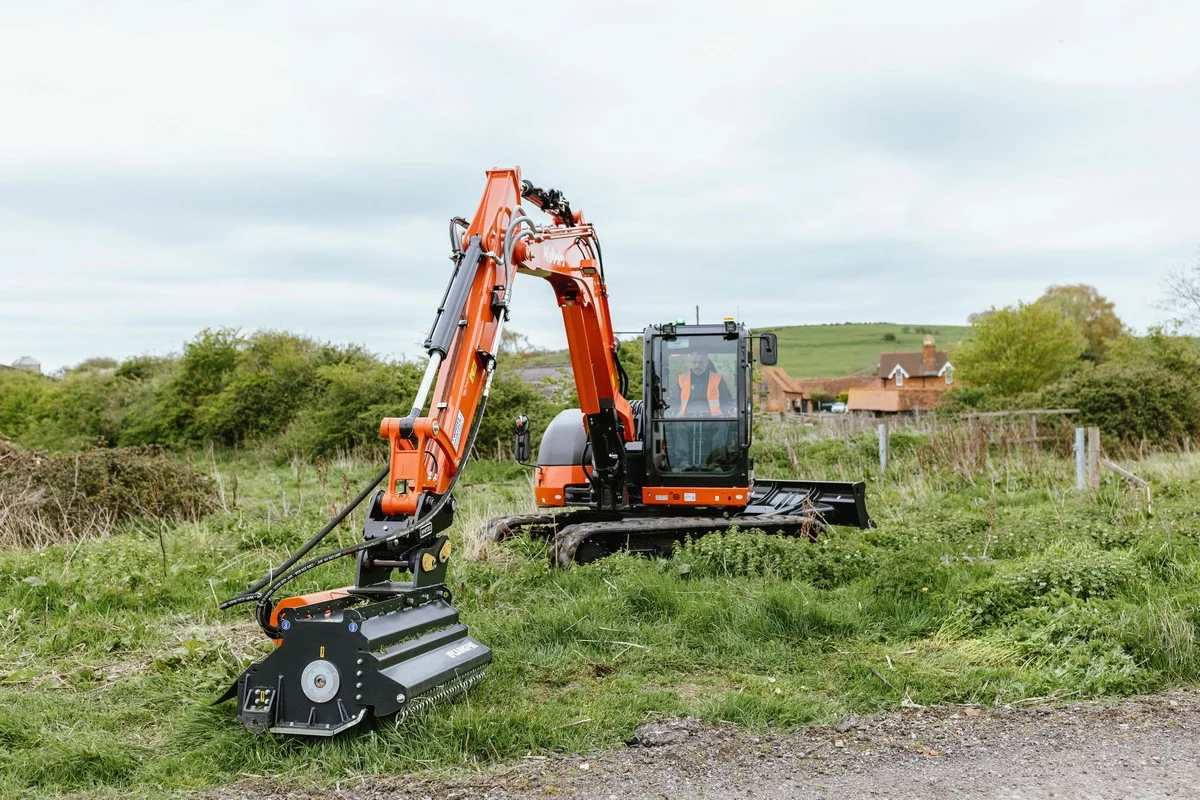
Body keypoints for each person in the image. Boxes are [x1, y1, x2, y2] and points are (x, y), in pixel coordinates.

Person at [671, 351, 735, 417]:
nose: (697, 366)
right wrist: (673, 413)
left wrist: (727, 412)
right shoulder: (681, 380)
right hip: (685, 421)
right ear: (691, 362)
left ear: (707, 363)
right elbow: (674, 403)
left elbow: (727, 402)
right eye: (694, 362)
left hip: (714, 421)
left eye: (701, 362)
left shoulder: (718, 379)